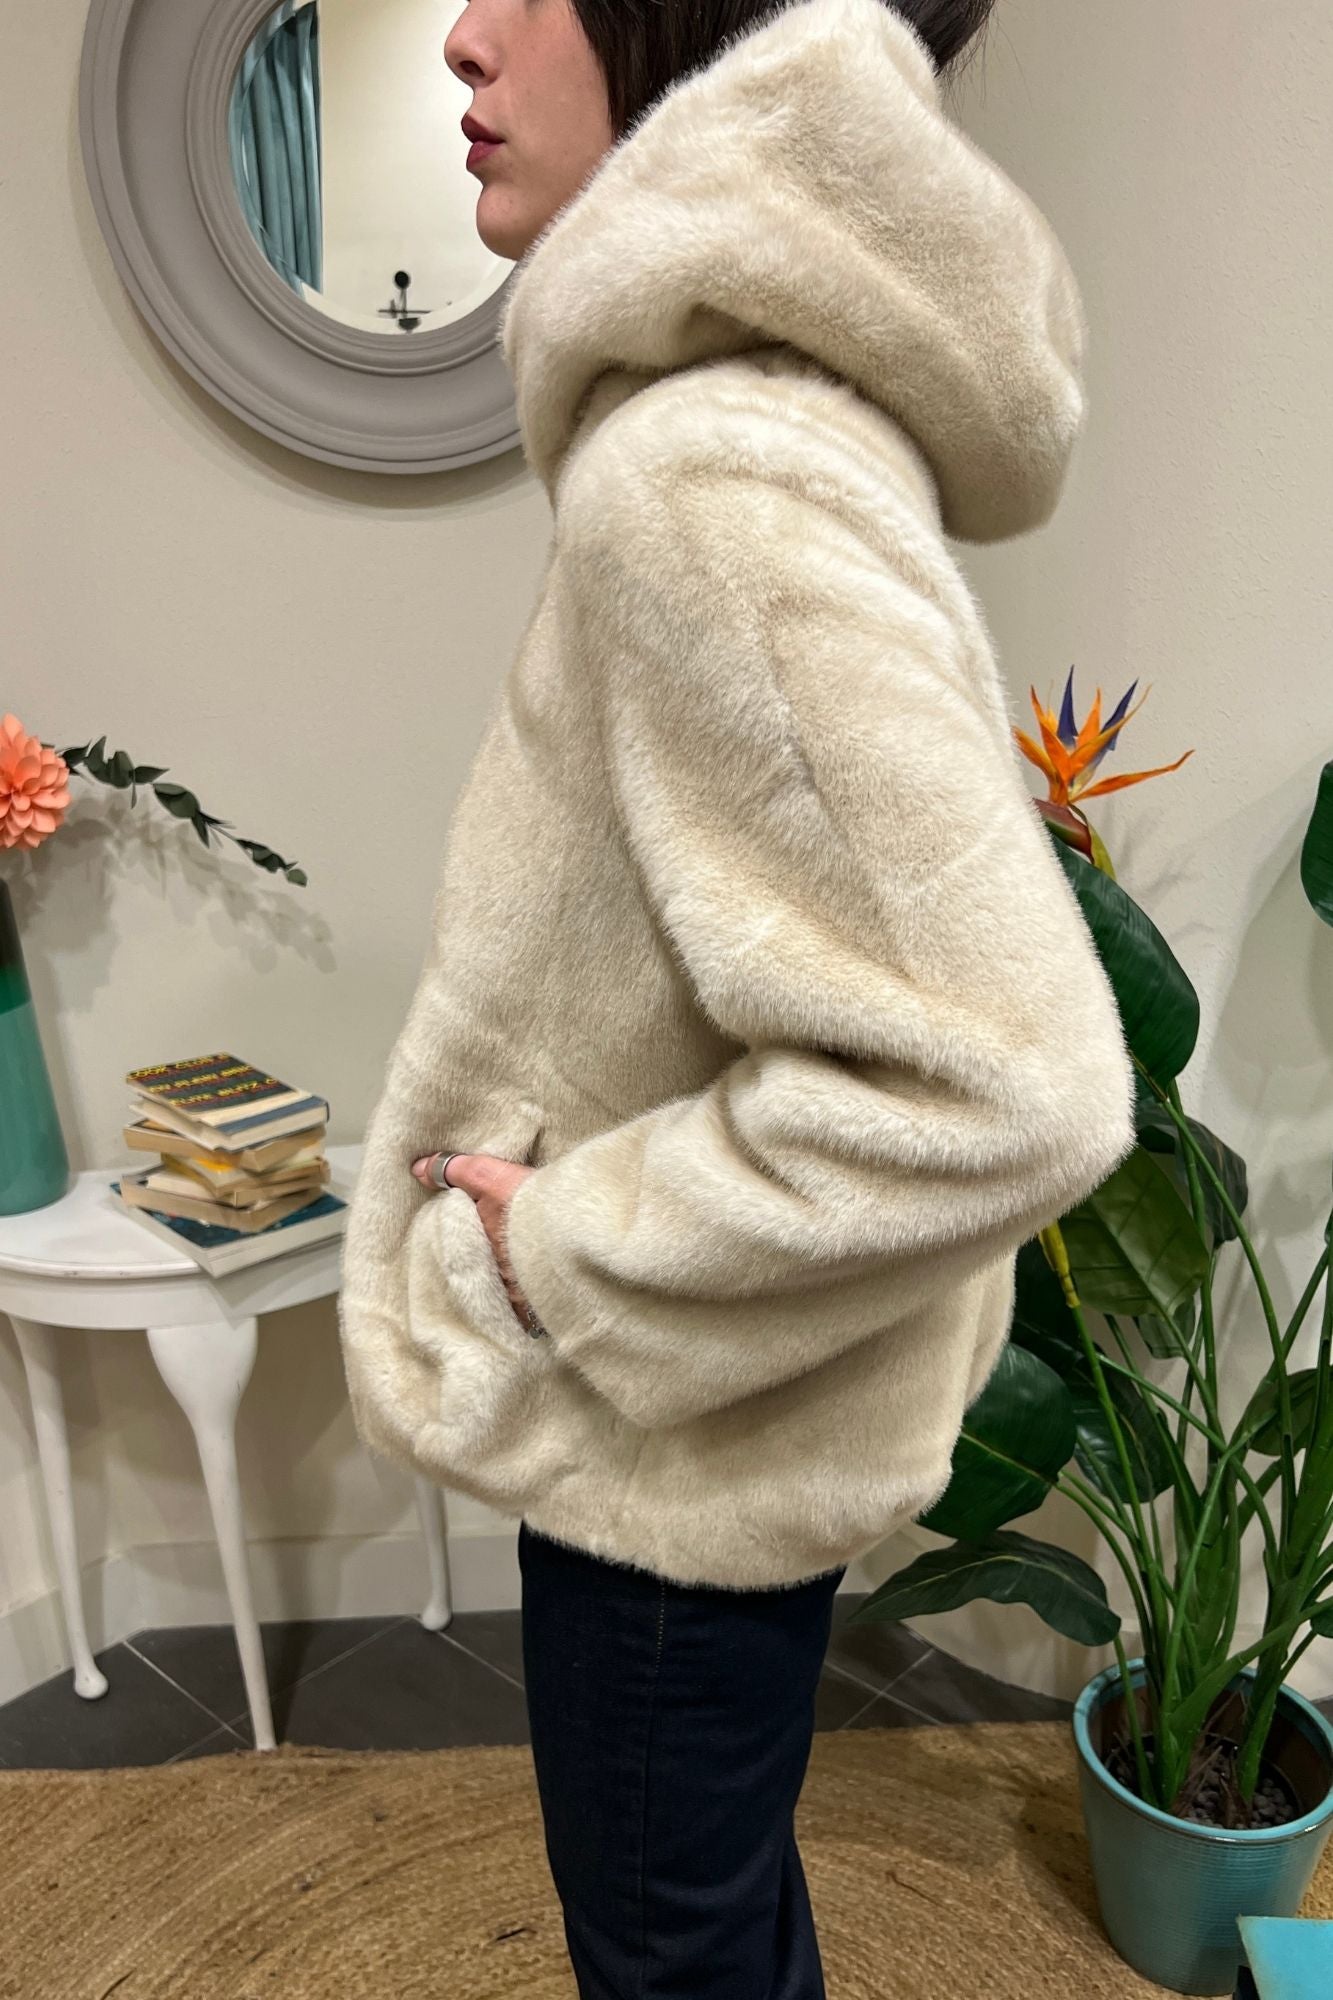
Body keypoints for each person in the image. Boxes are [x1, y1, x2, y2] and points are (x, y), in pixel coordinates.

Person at [337, 1, 1137, 1993]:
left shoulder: (706, 475)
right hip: (716, 1416)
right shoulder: (746, 436)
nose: (462, 38)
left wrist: (570, 1254)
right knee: (705, 1924)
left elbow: (1011, 1082)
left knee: (671, 1953)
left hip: (669, 1454)